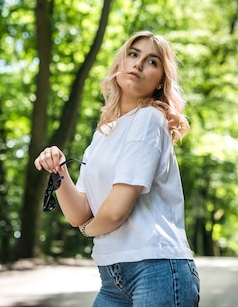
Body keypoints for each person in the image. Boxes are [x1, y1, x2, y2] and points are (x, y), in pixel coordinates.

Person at [34, 30, 200, 306]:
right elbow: (79, 212)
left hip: (157, 269)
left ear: (161, 81)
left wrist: (88, 231)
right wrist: (59, 171)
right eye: (133, 55)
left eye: (151, 61)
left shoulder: (149, 119)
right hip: (112, 278)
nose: (137, 64)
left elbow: (113, 212)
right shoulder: (103, 135)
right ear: (120, 64)